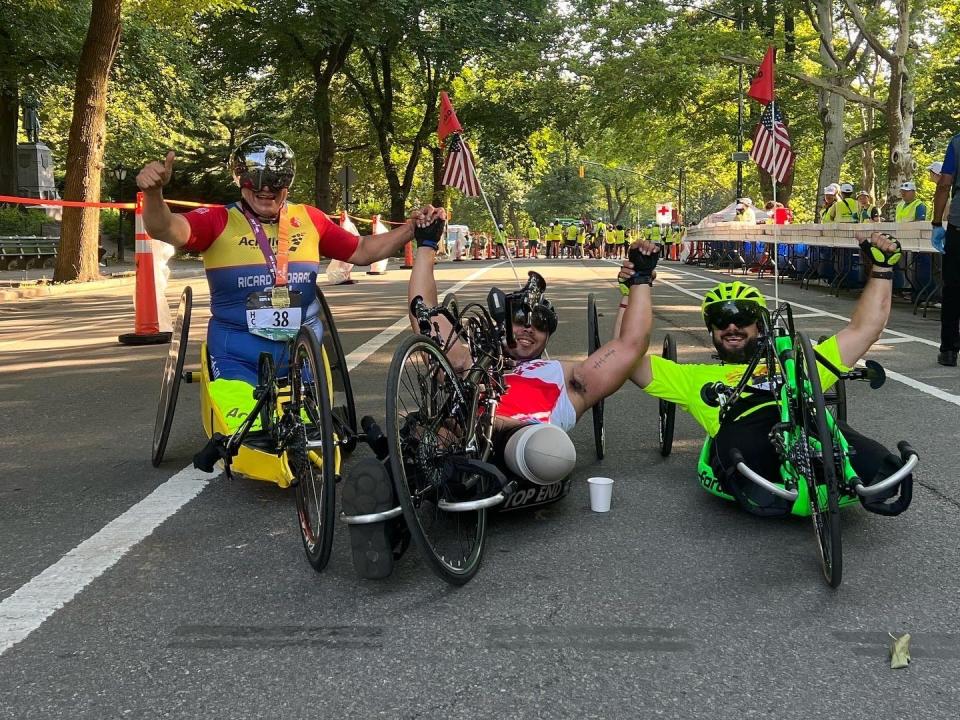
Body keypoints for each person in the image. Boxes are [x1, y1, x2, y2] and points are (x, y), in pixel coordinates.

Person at [136, 134, 445, 430]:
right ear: (239, 179)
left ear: (288, 182)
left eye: (277, 180)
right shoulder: (217, 220)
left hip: (303, 352)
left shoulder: (310, 218)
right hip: (236, 354)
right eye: (255, 180)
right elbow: (166, 228)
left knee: (312, 434)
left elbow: (363, 251)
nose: (266, 188)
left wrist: (411, 229)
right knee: (250, 432)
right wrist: (153, 193)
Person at [617, 232, 913, 518]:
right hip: (743, 424)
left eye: (743, 318)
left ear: (760, 326)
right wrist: (635, 288)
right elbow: (625, 357)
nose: (731, 327)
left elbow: (866, 328)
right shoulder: (694, 377)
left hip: (803, 417)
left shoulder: (800, 362)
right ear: (712, 331)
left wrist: (882, 268)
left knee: (871, 457)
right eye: (721, 320)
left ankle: (843, 474)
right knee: (741, 447)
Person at [933, 132, 960, 366]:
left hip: (959, 223)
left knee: (953, 287)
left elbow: (944, 184)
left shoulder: (957, 143)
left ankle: (949, 349)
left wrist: (936, 223)